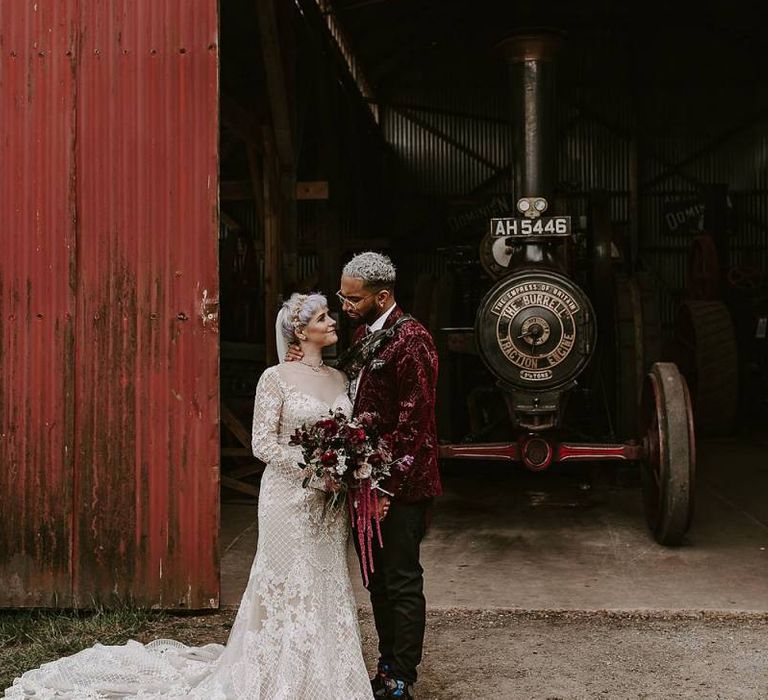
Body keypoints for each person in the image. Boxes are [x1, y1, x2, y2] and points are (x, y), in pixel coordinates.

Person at [5, 292, 373, 699]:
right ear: (300, 332)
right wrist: (314, 471)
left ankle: (326, 674)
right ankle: (276, 672)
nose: (332, 321)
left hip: (328, 504)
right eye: (322, 317)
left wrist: (344, 467)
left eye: (328, 315)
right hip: (288, 498)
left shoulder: (341, 380)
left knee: (327, 578)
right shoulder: (275, 379)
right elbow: (262, 444)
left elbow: (348, 437)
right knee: (285, 581)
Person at [288, 252, 442, 700]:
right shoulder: (364, 335)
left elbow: (414, 424)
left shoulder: (413, 340)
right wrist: (305, 358)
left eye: (352, 298)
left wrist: (385, 488)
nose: (344, 304)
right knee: (376, 581)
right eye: (342, 294)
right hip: (365, 483)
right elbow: (349, 387)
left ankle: (402, 678)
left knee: (401, 580)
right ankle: (386, 664)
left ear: (383, 295)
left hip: (403, 487)